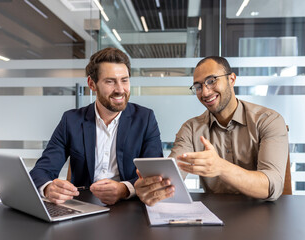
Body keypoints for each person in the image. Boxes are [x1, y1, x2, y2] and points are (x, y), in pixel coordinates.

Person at [135, 56, 288, 206]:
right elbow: (173, 176)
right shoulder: (191, 129)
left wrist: (221, 167)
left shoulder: (268, 120)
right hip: (214, 217)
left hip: (262, 216)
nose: (205, 92)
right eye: (198, 86)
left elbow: (272, 186)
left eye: (211, 81)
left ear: (232, 79)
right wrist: (153, 188)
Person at [30, 47, 163, 205]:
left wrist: (124, 189)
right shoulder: (71, 120)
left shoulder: (145, 118)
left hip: (129, 207)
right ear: (92, 84)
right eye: (110, 81)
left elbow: (154, 176)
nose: (120, 89)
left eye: (124, 80)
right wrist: (48, 188)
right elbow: (41, 171)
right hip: (83, 205)